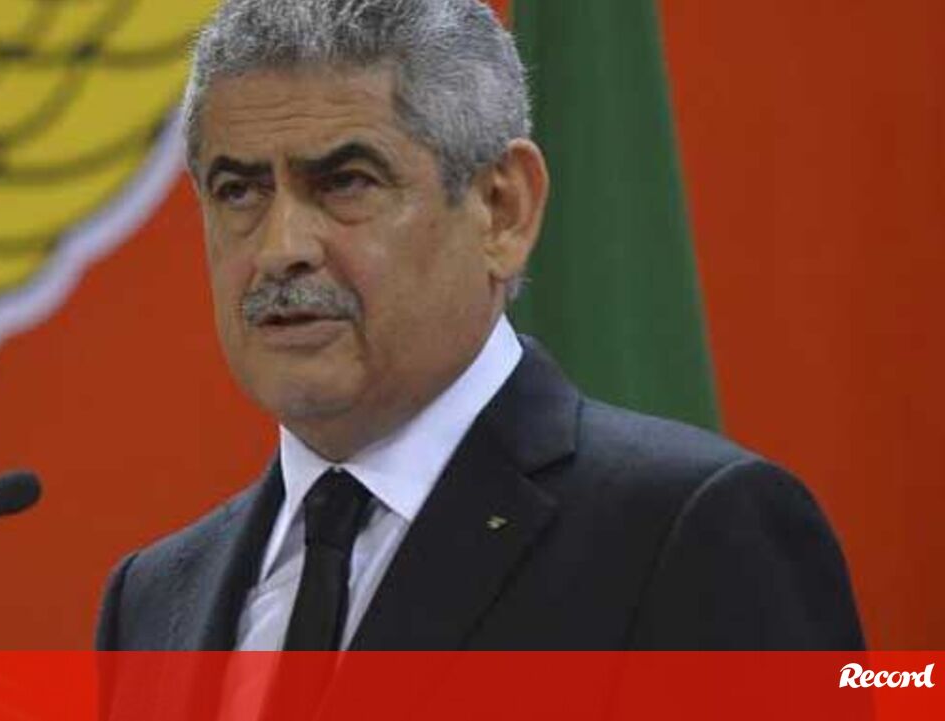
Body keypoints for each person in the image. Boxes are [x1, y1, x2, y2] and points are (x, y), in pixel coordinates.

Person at [96, 0, 863, 653]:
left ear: (502, 210)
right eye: (239, 190)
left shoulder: (688, 533)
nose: (280, 248)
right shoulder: (154, 597)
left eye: (346, 182)